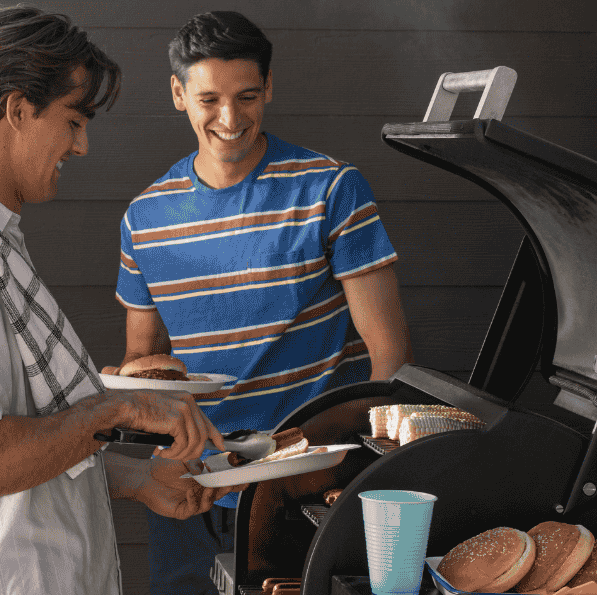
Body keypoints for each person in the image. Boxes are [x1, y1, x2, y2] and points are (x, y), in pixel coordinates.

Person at [0, 7, 241, 595]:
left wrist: (137, 478)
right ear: (17, 109)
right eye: (73, 120)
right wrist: (119, 409)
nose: (80, 146)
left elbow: (24, 438)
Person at [112, 11, 414, 594]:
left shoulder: (331, 188)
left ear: (268, 88)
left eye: (247, 96)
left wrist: (351, 474)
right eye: (209, 99)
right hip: (188, 489)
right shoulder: (144, 217)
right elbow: (144, 357)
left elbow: (389, 356)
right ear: (178, 94)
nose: (230, 119)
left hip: (304, 487)